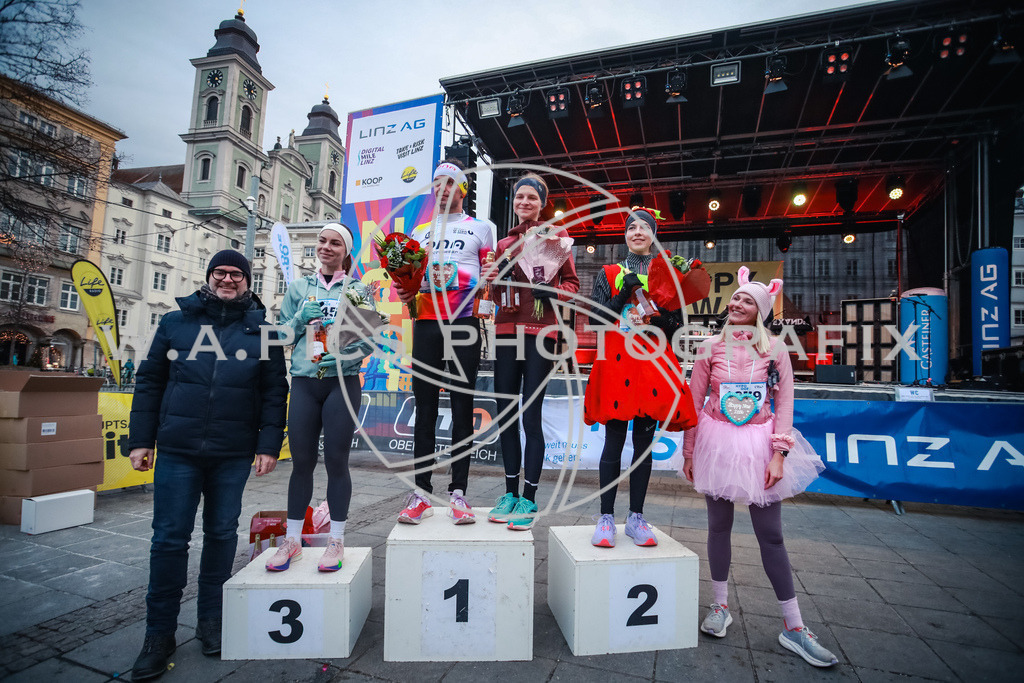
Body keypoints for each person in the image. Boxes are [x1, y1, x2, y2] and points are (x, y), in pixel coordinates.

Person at [127, 249, 287, 680]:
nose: (228, 279)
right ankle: (158, 635)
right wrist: (140, 439)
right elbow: (149, 381)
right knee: (168, 540)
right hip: (177, 450)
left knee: (220, 535)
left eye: (236, 274)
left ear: (248, 281)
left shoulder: (264, 331)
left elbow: (275, 392)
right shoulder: (175, 323)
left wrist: (269, 445)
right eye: (221, 272)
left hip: (232, 453)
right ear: (209, 276)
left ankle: (211, 621)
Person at [681, 266, 836, 668]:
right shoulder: (709, 347)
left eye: (747, 300)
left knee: (771, 536)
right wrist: (689, 451)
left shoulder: (777, 350)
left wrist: (779, 453)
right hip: (716, 441)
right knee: (718, 526)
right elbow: (694, 402)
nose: (736, 303)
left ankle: (795, 626)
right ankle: (719, 606)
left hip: (759, 445)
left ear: (761, 310)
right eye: (735, 298)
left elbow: (784, 404)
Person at [584, 208, 697, 548]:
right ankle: (606, 518)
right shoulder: (609, 271)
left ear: (653, 235)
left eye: (644, 227)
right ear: (625, 235)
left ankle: (636, 517)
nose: (637, 232)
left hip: (651, 361)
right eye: (631, 227)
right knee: (614, 441)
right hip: (618, 360)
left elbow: (679, 326)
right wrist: (622, 293)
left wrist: (659, 317)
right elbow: (594, 319)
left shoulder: (667, 275)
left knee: (643, 446)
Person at [266, 224, 374, 572]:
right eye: (322, 241)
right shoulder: (299, 287)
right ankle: (293, 540)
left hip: (341, 384)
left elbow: (369, 341)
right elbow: (282, 335)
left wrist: (344, 358)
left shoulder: (357, 290)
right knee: (301, 463)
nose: (326, 247)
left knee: (337, 462)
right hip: (304, 383)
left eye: (335, 243)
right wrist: (301, 317)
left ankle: (337, 541)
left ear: (346, 250)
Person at [394, 159, 495, 524]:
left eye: (448, 183)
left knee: (463, 407)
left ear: (462, 189)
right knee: (424, 406)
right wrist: (404, 290)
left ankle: (459, 493)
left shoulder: (482, 228)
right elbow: (407, 279)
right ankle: (420, 493)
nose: (440, 189)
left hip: (464, 322)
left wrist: (487, 294)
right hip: (427, 323)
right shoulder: (420, 233)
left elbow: (490, 277)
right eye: (435, 184)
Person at [485, 173, 579, 530]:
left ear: (543, 202)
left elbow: (572, 283)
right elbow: (493, 294)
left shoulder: (554, 238)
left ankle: (530, 498)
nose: (525, 202)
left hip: (542, 332)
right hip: (507, 330)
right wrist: (493, 282)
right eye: (520, 197)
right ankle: (510, 493)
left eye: (532, 198)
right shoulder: (504, 243)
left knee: (531, 415)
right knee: (506, 413)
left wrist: (553, 293)